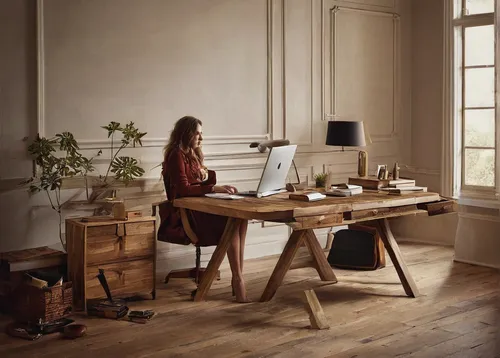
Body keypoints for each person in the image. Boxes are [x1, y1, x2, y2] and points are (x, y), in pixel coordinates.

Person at [161, 115, 250, 303]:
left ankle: (238, 275)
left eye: (201, 134)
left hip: (199, 207)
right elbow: (184, 189)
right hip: (186, 214)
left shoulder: (192, 153)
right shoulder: (175, 154)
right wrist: (213, 188)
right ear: (186, 134)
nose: (201, 138)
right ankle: (238, 279)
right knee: (232, 220)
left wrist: (207, 175)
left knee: (241, 218)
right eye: (197, 134)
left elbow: (198, 183)